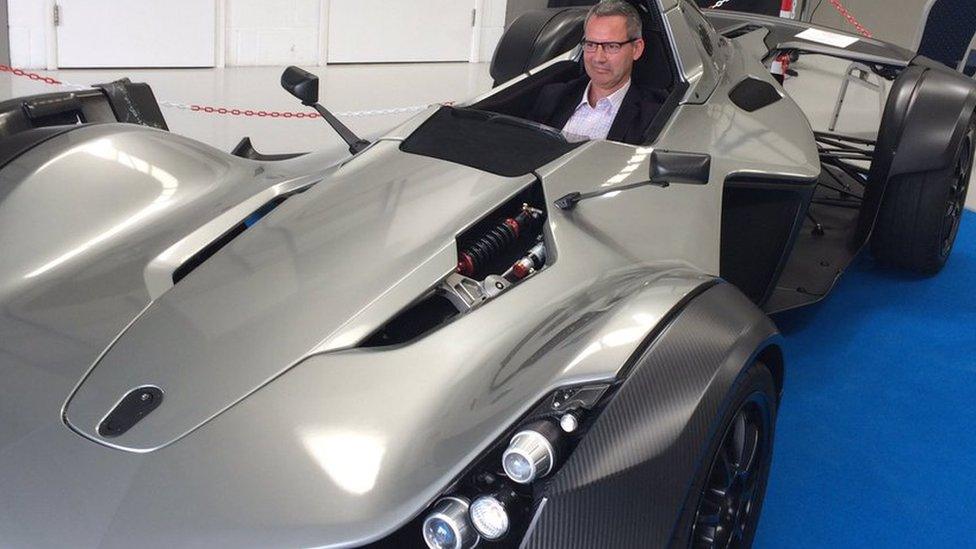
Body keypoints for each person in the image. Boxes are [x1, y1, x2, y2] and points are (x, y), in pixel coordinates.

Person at [527, 0, 665, 145]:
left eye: (611, 46)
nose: (598, 58)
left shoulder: (653, 116)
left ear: (636, 49)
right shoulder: (552, 97)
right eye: (591, 45)